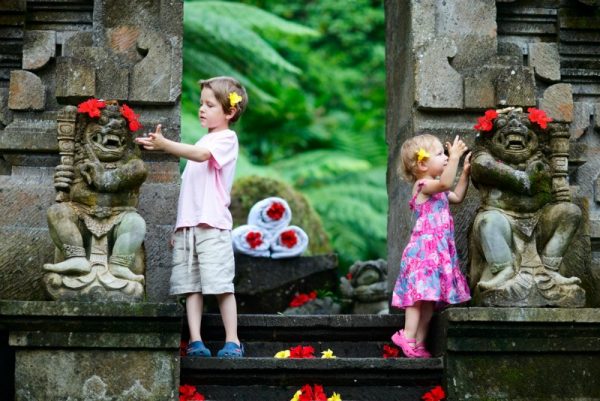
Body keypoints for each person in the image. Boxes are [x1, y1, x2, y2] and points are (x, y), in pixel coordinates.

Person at [135, 76, 248, 358]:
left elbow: (199, 155)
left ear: (230, 112)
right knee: (190, 286)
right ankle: (196, 341)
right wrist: (179, 227)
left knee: (221, 284)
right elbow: (189, 193)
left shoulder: (225, 139)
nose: (202, 109)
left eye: (210, 105)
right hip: (189, 227)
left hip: (212, 225)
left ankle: (232, 340)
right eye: (201, 104)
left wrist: (166, 145)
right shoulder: (204, 139)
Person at [390, 134, 472, 358]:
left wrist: (464, 173)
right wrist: (455, 156)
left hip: (437, 253)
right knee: (416, 299)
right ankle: (406, 336)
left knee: (429, 303)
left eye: (446, 154)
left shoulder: (438, 189)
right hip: (423, 254)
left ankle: (418, 343)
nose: (445, 157)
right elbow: (446, 182)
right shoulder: (423, 184)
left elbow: (456, 195)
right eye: (440, 154)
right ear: (422, 164)